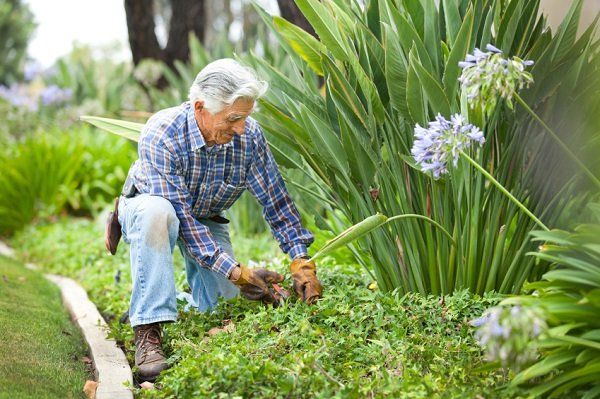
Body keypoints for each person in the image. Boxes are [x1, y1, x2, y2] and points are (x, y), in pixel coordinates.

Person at [110, 58, 323, 382]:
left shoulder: (248, 137)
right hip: (154, 206)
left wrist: (301, 261)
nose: (241, 128)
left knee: (222, 305)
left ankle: (161, 298)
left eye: (245, 117)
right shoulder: (162, 132)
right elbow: (182, 218)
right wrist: (237, 271)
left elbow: (276, 200)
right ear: (200, 108)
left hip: (206, 216)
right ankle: (148, 330)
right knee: (160, 214)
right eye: (233, 118)